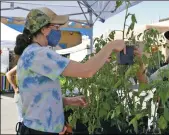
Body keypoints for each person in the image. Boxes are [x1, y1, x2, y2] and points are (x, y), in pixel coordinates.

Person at [14, 7, 125, 135]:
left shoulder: (30, 53)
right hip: (41, 131)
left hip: (35, 129)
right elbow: (87, 70)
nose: (59, 31)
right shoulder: (40, 54)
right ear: (44, 29)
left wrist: (67, 100)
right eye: (56, 27)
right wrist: (111, 45)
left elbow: (37, 94)